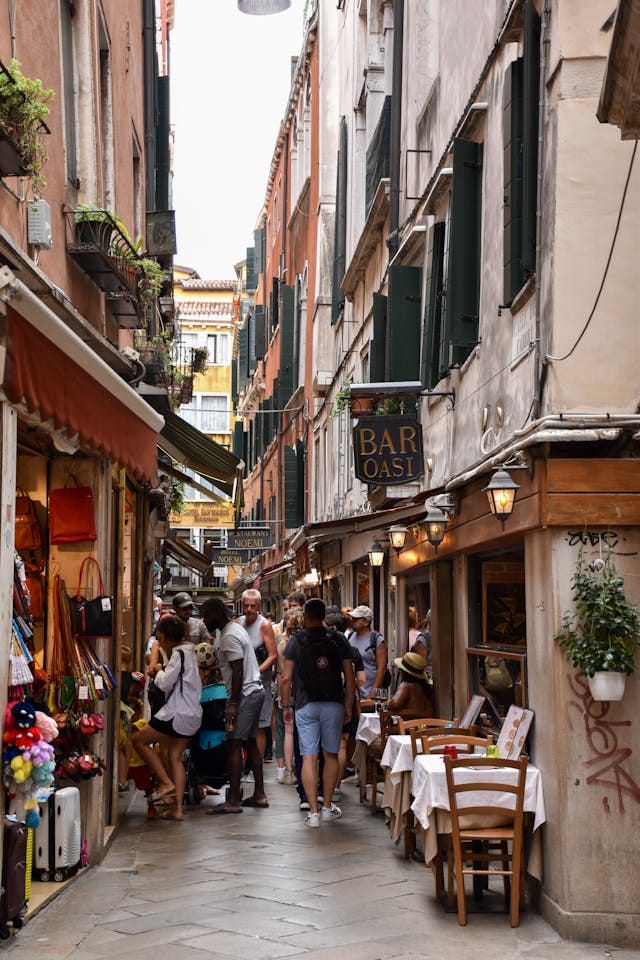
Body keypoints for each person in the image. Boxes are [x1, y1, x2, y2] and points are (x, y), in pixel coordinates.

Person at [281, 598, 355, 827]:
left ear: (305, 616)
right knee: (331, 754)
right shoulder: (338, 639)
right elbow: (349, 675)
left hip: (305, 703)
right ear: (323, 616)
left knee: (309, 757)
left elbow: (286, 677)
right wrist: (349, 704)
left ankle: (313, 813)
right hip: (333, 702)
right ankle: (327, 807)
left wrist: (286, 704)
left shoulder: (296, 640)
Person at [200, 598, 268, 814]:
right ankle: (259, 794)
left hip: (245, 694)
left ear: (217, 614)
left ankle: (234, 800)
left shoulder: (229, 635)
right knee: (249, 742)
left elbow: (238, 670)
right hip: (254, 691)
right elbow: (233, 665)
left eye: (206, 615)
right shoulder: (234, 629)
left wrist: (233, 703)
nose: (204, 620)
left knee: (233, 743)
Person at [132, 615, 202, 821]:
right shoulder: (189, 651)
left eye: (161, 638)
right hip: (191, 713)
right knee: (174, 757)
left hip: (176, 713)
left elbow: (164, 683)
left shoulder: (179, 655)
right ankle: (177, 809)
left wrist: (159, 669)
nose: (159, 642)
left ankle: (166, 783)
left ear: (169, 638)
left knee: (139, 740)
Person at [326, 612, 365, 801]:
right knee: (342, 745)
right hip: (346, 701)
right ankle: (336, 787)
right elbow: (362, 680)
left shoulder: (325, 649)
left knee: (325, 747)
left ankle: (324, 786)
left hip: (327, 700)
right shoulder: (353, 651)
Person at [238, 588, 277, 759]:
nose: (249, 609)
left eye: (252, 606)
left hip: (260, 683)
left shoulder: (264, 625)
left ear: (259, 606)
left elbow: (273, 655)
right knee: (242, 726)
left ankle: (257, 765)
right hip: (240, 683)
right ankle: (244, 762)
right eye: (246, 605)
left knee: (260, 727)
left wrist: (255, 671)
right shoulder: (238, 623)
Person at [348, 605, 388, 697]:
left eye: (356, 619)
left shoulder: (376, 640)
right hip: (354, 694)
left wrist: (372, 694)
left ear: (366, 622)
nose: (352, 621)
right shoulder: (350, 636)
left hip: (369, 694)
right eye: (352, 618)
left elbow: (382, 669)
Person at [386, 652, 433, 717]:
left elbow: (394, 705)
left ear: (404, 672)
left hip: (410, 723)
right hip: (428, 723)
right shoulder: (425, 687)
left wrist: (388, 703)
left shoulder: (406, 686)